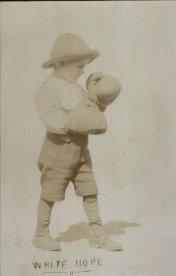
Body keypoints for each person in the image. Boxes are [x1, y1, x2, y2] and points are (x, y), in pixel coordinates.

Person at [33, 33, 122, 251]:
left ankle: (97, 234)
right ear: (61, 63)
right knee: (50, 194)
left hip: (81, 152)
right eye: (79, 66)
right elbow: (51, 119)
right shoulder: (49, 88)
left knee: (90, 190)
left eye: (85, 66)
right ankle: (41, 234)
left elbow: (91, 113)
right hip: (57, 152)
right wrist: (74, 120)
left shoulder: (77, 88)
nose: (83, 71)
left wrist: (99, 98)